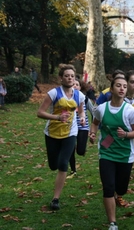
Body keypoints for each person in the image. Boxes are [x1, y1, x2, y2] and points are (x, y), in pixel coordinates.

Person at [89, 77, 134, 230]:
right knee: (108, 187)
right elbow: (95, 123)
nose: (122, 88)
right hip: (106, 153)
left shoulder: (129, 111)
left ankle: (119, 195)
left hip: (125, 155)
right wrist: (92, 134)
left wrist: (125, 135)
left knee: (121, 188)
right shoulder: (102, 108)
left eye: (125, 86)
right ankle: (112, 222)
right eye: (118, 86)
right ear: (111, 89)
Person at [37, 64, 86, 210]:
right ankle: (55, 166)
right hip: (52, 133)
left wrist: (82, 118)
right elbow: (40, 112)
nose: (70, 78)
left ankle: (55, 199)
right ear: (61, 78)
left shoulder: (79, 95)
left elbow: (81, 112)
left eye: (72, 76)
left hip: (70, 133)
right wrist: (57, 117)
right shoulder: (53, 93)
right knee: (54, 165)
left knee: (63, 164)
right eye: (66, 75)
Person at [67, 79, 94, 178]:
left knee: (80, 151)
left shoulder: (85, 99)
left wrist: (93, 128)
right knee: (70, 149)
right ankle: (73, 170)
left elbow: (93, 112)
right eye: (73, 84)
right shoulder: (66, 98)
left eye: (77, 84)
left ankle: (79, 147)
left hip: (83, 127)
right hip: (70, 128)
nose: (74, 86)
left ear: (80, 87)